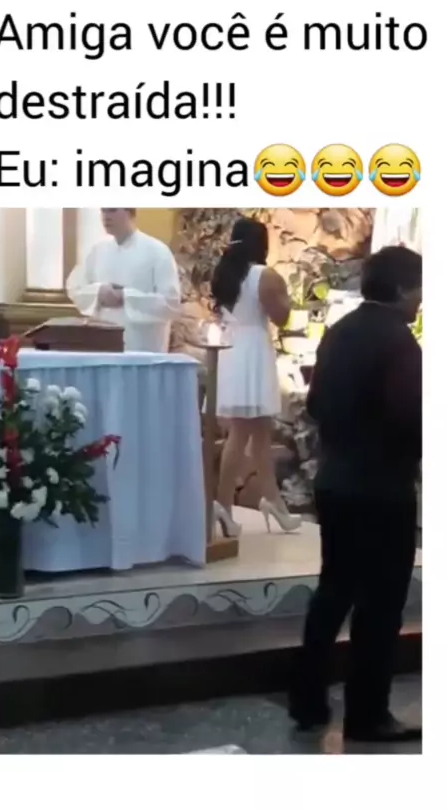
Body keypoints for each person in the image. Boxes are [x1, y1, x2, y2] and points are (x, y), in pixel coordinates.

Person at [289, 245, 422, 743]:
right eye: (419, 287)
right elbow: (410, 416)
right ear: (401, 288)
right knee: (381, 605)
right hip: (382, 488)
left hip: (336, 481)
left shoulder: (339, 331)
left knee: (333, 593)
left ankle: (307, 699)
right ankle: (368, 714)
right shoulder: (399, 342)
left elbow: (316, 404)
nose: (421, 299)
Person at [210, 217, 301, 538]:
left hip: (232, 348)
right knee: (241, 432)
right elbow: (282, 316)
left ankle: (274, 501)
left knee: (261, 433)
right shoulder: (265, 276)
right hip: (253, 351)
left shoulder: (225, 275)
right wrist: (288, 297)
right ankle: (222, 502)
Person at [67, 208, 181, 352]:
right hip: (102, 345)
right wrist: (98, 292)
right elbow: (74, 287)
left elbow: (171, 303)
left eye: (112, 210)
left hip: (144, 347)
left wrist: (125, 297)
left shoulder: (158, 251)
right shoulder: (96, 250)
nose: (106, 217)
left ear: (129, 212)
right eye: (103, 211)